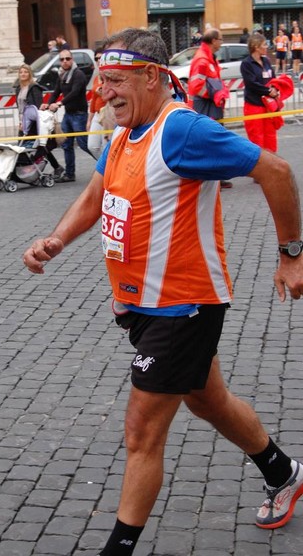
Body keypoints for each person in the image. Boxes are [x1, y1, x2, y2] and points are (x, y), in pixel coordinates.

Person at [24, 27, 303, 556]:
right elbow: (97, 190)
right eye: (103, 82)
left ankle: (118, 550)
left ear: (151, 77)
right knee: (209, 400)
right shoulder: (127, 132)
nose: (104, 93)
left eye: (115, 81)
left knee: (141, 432)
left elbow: (277, 170)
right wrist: (57, 240)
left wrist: (292, 254)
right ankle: (284, 471)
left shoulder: (182, 131)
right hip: (141, 306)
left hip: (185, 305)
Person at [188, 28, 232, 189]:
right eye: (221, 39)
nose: (222, 42)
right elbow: (195, 86)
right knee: (208, 142)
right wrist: (215, 95)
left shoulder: (209, 58)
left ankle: (218, 178)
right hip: (205, 108)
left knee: (216, 141)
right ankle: (211, 180)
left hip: (210, 107)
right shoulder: (202, 60)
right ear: (213, 41)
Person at [41, 49, 93, 182]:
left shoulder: (78, 74)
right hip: (68, 115)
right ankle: (70, 174)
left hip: (79, 115)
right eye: (62, 59)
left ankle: (107, 168)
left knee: (85, 145)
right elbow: (56, 92)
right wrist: (48, 104)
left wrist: (59, 103)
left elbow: (75, 93)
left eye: (67, 59)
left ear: (72, 60)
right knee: (66, 144)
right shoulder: (62, 75)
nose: (65, 61)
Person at [15, 64, 64, 178]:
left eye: (25, 72)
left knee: (37, 147)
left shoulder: (34, 87)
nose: (23, 74)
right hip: (24, 122)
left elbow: (36, 108)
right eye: (21, 72)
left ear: (30, 74)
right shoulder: (18, 88)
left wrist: (31, 123)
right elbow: (20, 107)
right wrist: (21, 122)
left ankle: (29, 171)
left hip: (34, 123)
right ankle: (55, 167)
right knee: (30, 147)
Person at [240, 34, 279, 154]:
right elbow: (251, 83)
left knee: (270, 136)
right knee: (257, 138)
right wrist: (268, 91)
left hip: (267, 106)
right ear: (256, 47)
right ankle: (260, 167)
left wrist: (275, 89)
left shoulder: (266, 61)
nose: (267, 47)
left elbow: (273, 78)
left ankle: (272, 164)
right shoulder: (247, 64)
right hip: (254, 106)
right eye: (264, 44)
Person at [87, 48, 108, 159]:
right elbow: (93, 100)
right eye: (96, 58)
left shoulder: (110, 75)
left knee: (106, 146)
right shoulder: (96, 78)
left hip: (108, 114)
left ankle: (107, 172)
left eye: (101, 58)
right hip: (97, 114)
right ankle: (105, 168)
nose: (98, 60)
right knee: (92, 146)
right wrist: (89, 120)